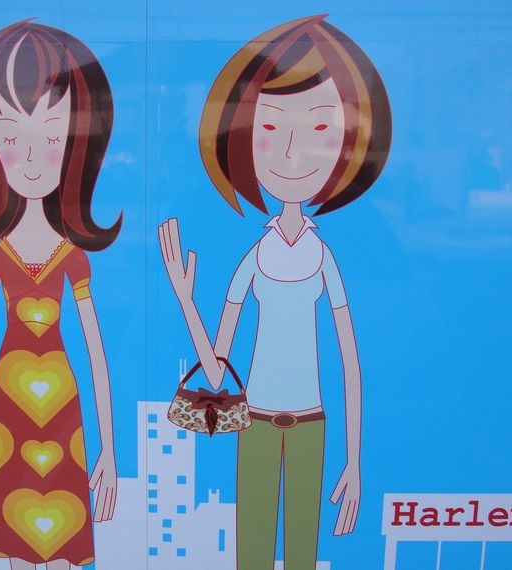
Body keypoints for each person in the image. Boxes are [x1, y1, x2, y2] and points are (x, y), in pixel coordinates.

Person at [159, 15, 391, 569]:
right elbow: (217, 371)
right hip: (256, 422)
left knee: (303, 554)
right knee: (253, 553)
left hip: (312, 423)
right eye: (268, 127)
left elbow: (350, 362)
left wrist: (355, 462)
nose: (291, 153)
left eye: (319, 128)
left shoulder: (323, 256)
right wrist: (186, 299)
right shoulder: (255, 256)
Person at [0, 20, 119, 569]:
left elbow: (96, 356)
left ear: (74, 149)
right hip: (8, 409)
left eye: (50, 138)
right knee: (18, 546)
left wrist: (108, 450)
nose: (29, 157)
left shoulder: (74, 259)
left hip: (64, 406)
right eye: (9, 139)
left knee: (66, 544)